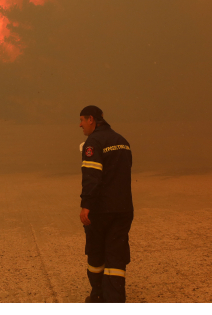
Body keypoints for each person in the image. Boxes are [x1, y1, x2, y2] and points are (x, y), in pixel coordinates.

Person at [78, 105, 133, 303]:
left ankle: (98, 296)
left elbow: (92, 177)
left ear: (91, 119)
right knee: (116, 257)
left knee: (96, 253)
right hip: (124, 208)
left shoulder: (93, 143)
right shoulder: (122, 141)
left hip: (101, 210)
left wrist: (86, 205)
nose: (80, 125)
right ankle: (115, 300)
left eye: (82, 120)